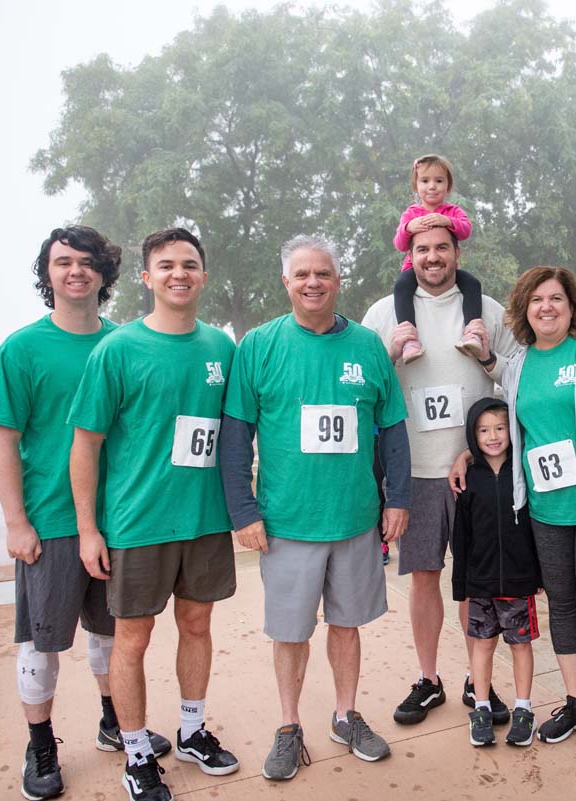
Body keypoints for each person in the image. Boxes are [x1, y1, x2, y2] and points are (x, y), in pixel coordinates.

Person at [0, 226, 168, 800]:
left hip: (122, 522)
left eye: (88, 262)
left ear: (106, 274)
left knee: (111, 637)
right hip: (52, 524)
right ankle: (41, 745)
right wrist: (16, 521)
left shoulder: (126, 342)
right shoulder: (21, 349)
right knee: (43, 643)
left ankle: (115, 723)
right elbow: (4, 440)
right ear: (48, 273)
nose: (76, 271)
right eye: (63, 263)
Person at [221, 235, 410, 781]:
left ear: (337, 280)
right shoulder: (258, 346)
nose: (312, 283)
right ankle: (288, 726)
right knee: (291, 631)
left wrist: (397, 497)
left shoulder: (369, 348)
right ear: (286, 282)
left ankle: (346, 716)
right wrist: (243, 509)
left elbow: (392, 428)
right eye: (302, 274)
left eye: (322, 274)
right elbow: (237, 437)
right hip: (286, 522)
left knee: (347, 625)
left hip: (354, 518)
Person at [69, 228, 239, 801]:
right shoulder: (116, 351)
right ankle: (138, 751)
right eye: (166, 265)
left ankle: (191, 731)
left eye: (189, 264)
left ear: (203, 276)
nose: (179, 273)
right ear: (147, 278)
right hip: (137, 526)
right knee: (132, 642)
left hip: (206, 522)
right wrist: (89, 529)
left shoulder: (221, 348)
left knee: (197, 627)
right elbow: (85, 444)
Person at [454, 266, 576, 766]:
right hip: (543, 512)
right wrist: (468, 453)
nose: (546, 307)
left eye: (556, 298)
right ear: (524, 309)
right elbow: (500, 423)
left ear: (572, 305)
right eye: (536, 300)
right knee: (564, 606)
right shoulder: (517, 364)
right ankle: (575, 702)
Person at [362, 226, 518, 728]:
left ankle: (481, 680)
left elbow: (516, 378)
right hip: (417, 469)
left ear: (457, 252)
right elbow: (364, 385)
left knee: (476, 581)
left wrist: (483, 451)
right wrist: (388, 352)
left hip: (475, 468)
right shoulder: (384, 313)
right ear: (410, 256)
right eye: (422, 249)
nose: (432, 257)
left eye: (441, 248)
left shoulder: (487, 311)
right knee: (424, 577)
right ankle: (430, 679)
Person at [450, 397, 541, 748]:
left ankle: (523, 709)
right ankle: (482, 706)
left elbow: (535, 528)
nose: (492, 436)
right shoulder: (469, 479)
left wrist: (538, 576)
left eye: (500, 428)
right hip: (481, 581)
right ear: (474, 435)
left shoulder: (523, 471)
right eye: (484, 430)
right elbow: (462, 536)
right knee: (483, 645)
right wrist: (463, 585)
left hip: (518, 581)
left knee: (520, 645)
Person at [392, 154, 483, 363]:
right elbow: (399, 243)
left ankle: (473, 332)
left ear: (448, 186)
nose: (432, 186)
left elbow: (466, 230)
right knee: (401, 286)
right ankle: (409, 340)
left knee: (472, 283)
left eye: (439, 181)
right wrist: (408, 228)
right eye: (425, 181)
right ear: (416, 186)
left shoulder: (453, 211)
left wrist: (447, 221)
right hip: (413, 271)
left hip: (447, 271)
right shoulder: (410, 214)